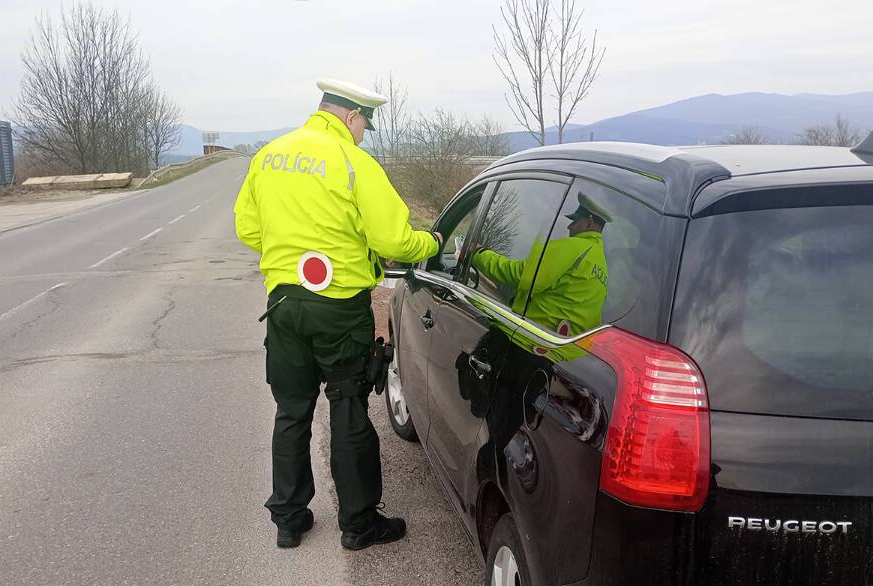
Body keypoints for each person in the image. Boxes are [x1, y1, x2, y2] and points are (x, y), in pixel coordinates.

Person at [234, 79, 442, 550]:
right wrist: (433, 243)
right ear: (350, 116)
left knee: (291, 410)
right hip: (339, 308)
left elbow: (248, 227)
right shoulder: (352, 160)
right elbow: (393, 241)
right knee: (347, 406)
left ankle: (289, 519)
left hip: (284, 305)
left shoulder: (269, 155)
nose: (364, 133)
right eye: (365, 123)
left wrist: (290, 253)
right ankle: (359, 523)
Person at [471, 192, 611, 339]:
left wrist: (478, 253)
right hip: (567, 350)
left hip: (532, 340)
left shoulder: (573, 247)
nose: (569, 226)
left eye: (575, 221)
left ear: (589, 222)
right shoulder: (601, 262)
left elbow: (521, 275)